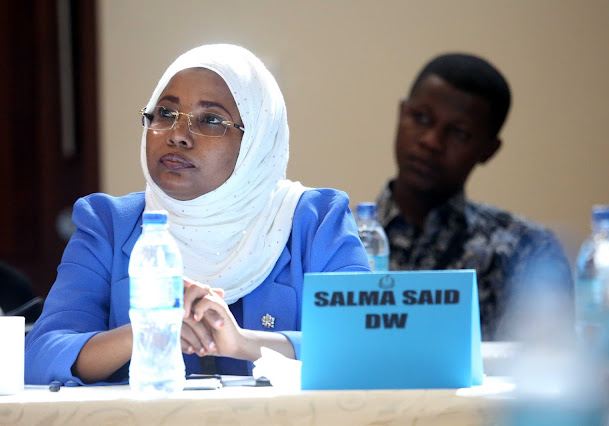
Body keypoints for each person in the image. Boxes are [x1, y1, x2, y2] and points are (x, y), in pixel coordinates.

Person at [25, 44, 369, 385]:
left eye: (211, 120)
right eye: (165, 113)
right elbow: (40, 356)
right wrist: (147, 330)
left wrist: (245, 343)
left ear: (257, 140)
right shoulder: (109, 224)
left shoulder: (316, 222)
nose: (177, 135)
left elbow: (366, 346)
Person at [375, 53, 573, 340]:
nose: (431, 141)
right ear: (401, 113)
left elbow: (546, 358)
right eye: (421, 118)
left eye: (459, 133)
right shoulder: (339, 239)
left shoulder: (525, 250)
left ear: (489, 150)